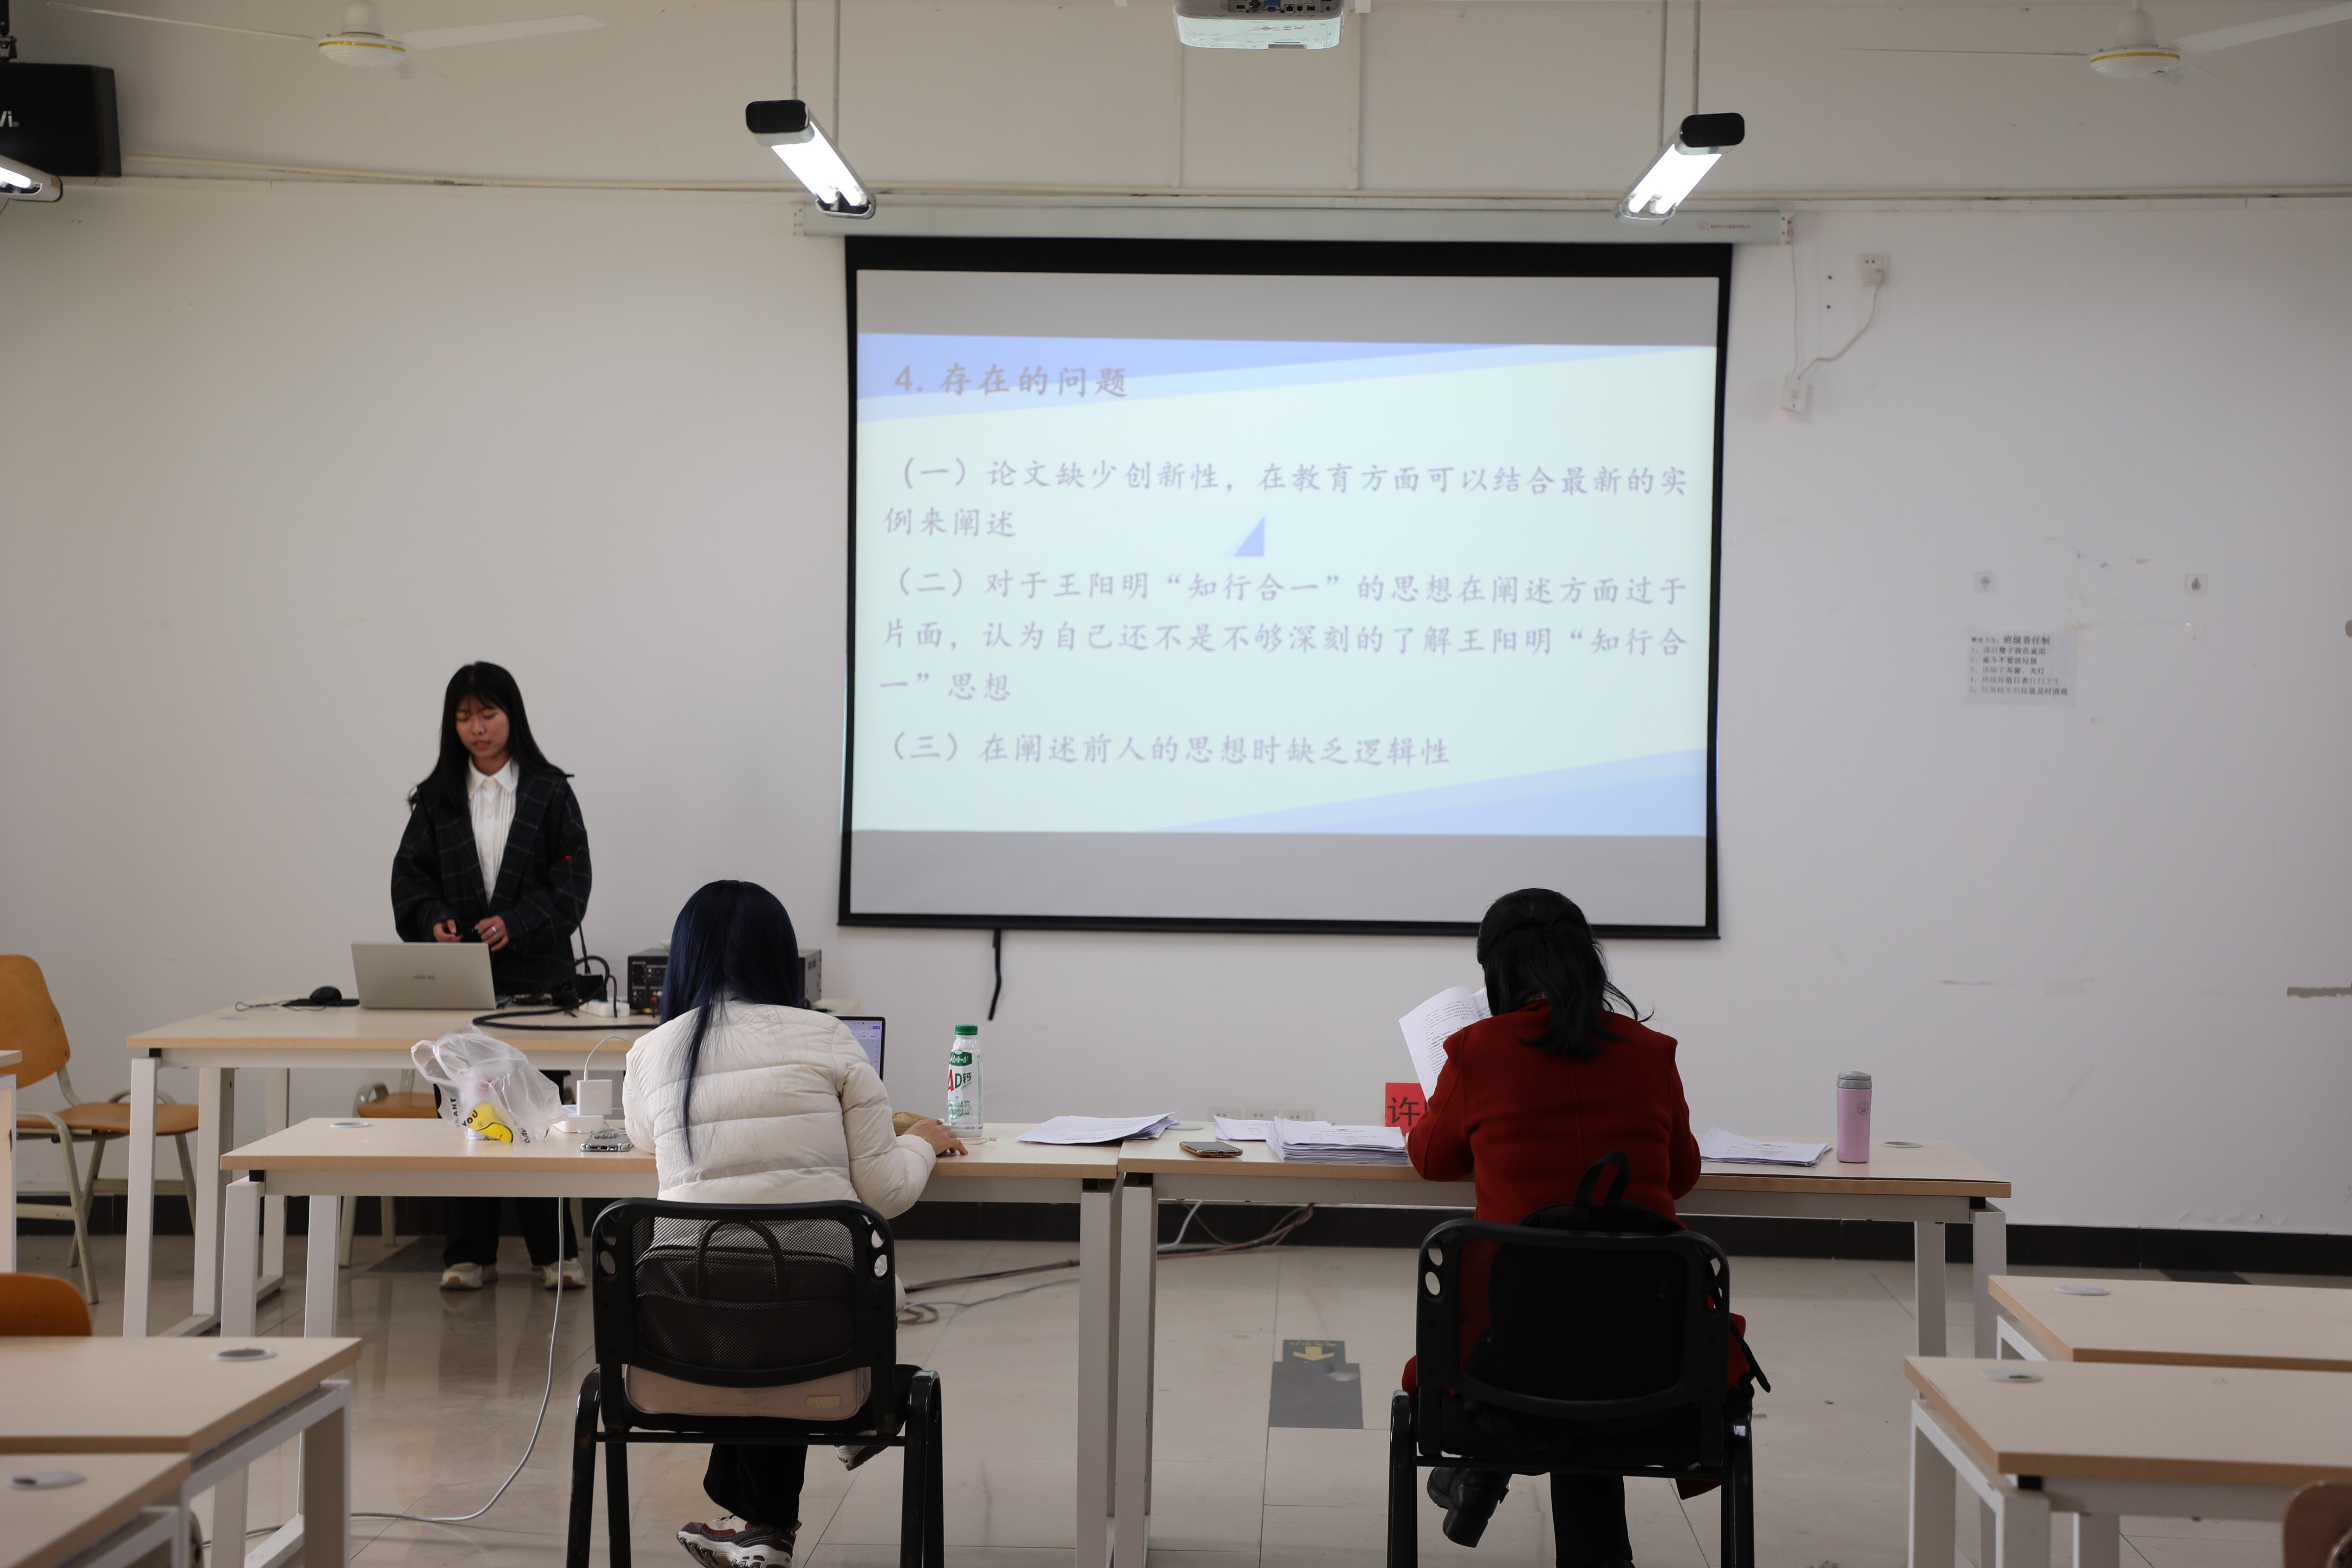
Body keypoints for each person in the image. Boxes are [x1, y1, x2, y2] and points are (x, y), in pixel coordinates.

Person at [623, 880, 966, 1568]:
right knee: (785, 1284)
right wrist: (922, 1142)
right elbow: (887, 1191)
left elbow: (640, 1136)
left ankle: (763, 1529)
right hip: (826, 1335)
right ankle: (795, 1491)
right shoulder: (829, 1037)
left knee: (739, 1281)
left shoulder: (654, 1050)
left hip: (681, 1340)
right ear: (783, 959)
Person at [1404, 887, 1748, 1567]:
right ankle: (1513, 1494)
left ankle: (1485, 1467)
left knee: (1554, 1325)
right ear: (1589, 961)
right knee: (1590, 1318)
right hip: (1657, 1356)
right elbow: (1681, 1174)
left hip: (1507, 1358)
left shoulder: (1477, 1048)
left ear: (1497, 974)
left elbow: (1430, 1158)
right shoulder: (1651, 1051)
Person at [390, 661, 592, 1292]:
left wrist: (518, 923)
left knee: (536, 1111)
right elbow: (410, 881)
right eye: (463, 717)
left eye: (488, 714)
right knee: (468, 1111)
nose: (477, 728)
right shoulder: (436, 800)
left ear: (512, 716)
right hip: (462, 987)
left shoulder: (550, 792)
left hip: (538, 985)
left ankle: (555, 1254)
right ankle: (470, 1255)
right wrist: (434, 921)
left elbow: (573, 883)